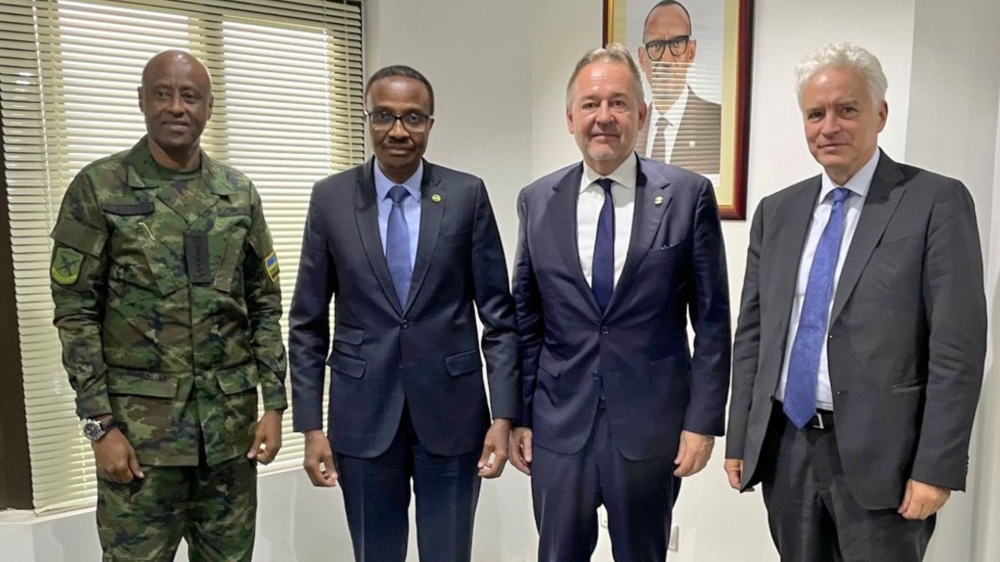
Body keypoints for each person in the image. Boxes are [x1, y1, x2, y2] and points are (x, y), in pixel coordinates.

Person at [725, 43, 987, 561]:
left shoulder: (935, 201)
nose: (830, 127)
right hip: (788, 449)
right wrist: (740, 437)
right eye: (815, 114)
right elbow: (753, 335)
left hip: (886, 459)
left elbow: (957, 349)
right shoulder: (777, 212)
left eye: (847, 110)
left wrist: (936, 467)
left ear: (880, 114)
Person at [50, 50, 286, 561]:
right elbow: (75, 314)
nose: (177, 107)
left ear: (209, 107)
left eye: (190, 96)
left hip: (229, 439)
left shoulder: (237, 194)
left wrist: (273, 403)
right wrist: (100, 426)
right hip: (140, 443)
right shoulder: (99, 188)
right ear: (141, 100)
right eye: (163, 93)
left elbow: (264, 304)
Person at [288, 65, 519, 562]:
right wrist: (310, 425)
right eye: (384, 116)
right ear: (367, 120)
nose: (398, 130)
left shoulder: (466, 195)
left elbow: (500, 319)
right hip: (362, 416)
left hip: (453, 416)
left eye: (413, 117)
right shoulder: (331, 199)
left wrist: (504, 415)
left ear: (430, 123)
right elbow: (307, 323)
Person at [510, 44, 731, 561]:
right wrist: (518, 415)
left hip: (650, 428)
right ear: (570, 118)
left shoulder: (687, 196)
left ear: (642, 114)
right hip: (559, 424)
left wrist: (702, 422)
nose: (604, 117)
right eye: (590, 104)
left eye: (618, 103)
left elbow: (713, 322)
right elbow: (526, 321)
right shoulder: (537, 200)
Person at [634, 0, 722, 176]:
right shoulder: (631, 129)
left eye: (676, 44)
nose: (666, 59)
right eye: (656, 46)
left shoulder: (718, 124)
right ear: (642, 58)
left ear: (691, 52)